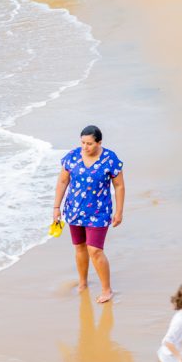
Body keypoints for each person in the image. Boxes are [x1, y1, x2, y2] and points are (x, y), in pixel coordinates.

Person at [53, 125, 126, 303]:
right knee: (79, 247)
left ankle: (106, 290)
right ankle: (83, 282)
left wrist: (119, 211)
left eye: (90, 144)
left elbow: (119, 186)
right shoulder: (72, 157)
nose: (85, 147)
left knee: (95, 250)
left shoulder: (110, 159)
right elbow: (63, 182)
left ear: (99, 142)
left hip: (99, 212)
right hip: (74, 210)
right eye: (83, 143)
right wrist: (56, 208)